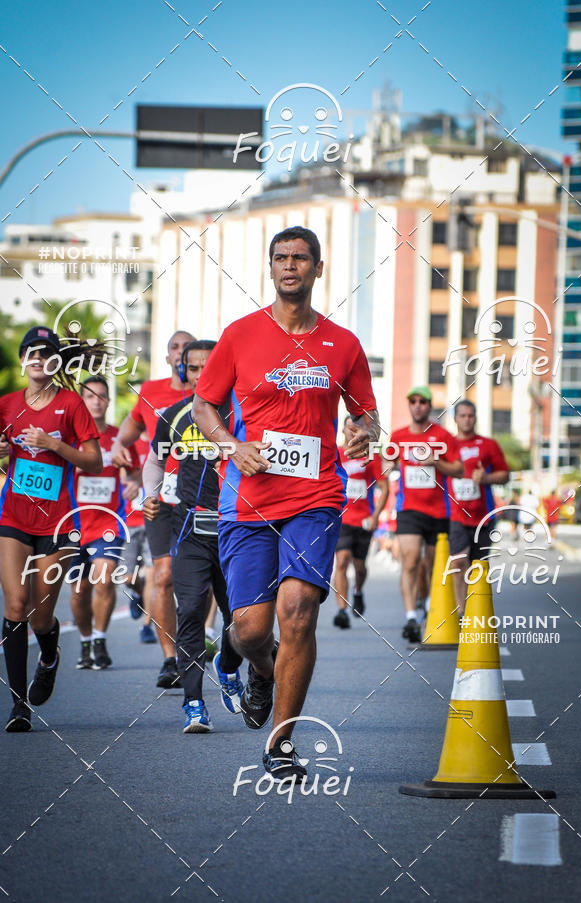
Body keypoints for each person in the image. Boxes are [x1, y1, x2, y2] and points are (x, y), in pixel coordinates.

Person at [194, 226, 379, 779]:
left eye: (300, 258)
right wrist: (232, 445)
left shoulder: (342, 344)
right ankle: (250, 663)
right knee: (252, 629)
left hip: (316, 497)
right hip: (248, 500)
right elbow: (205, 405)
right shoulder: (240, 335)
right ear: (270, 269)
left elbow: (366, 412)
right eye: (280, 258)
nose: (290, 265)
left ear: (318, 269)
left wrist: (363, 432)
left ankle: (280, 742)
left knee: (298, 612)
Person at [0, 326, 102, 731]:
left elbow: (93, 461)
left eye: (47, 353)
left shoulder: (71, 404)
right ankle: (19, 705)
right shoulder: (6, 404)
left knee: (40, 618)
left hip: (58, 522)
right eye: (32, 351)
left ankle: (50, 654)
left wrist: (52, 443)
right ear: (23, 358)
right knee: (14, 606)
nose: (38, 358)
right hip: (13, 517)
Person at [143, 341, 244, 732]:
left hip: (237, 530)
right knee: (189, 610)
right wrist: (150, 496)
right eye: (195, 368)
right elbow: (153, 462)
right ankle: (194, 704)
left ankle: (230, 666)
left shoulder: (243, 413)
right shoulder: (174, 415)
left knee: (242, 621)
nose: (203, 374)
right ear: (185, 372)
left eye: (209, 366)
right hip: (190, 528)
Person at [112, 330, 195, 688]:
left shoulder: (211, 394)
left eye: (187, 350)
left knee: (204, 583)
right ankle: (170, 660)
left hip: (204, 497)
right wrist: (118, 445)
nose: (181, 354)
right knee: (162, 575)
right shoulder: (150, 392)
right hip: (161, 496)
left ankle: (219, 641)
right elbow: (128, 431)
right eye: (175, 347)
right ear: (168, 358)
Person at [69, 377, 141, 669]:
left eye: (101, 396)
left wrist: (133, 485)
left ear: (108, 401)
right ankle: (85, 642)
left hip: (108, 523)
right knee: (78, 590)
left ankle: (99, 639)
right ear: (81, 402)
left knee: (104, 579)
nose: (96, 401)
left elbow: (135, 472)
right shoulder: (69, 438)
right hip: (72, 524)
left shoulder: (117, 438)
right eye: (90, 396)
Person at [389, 386, 463, 643]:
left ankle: (432, 607)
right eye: (414, 401)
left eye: (423, 401)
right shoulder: (397, 437)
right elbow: (386, 466)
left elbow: (458, 469)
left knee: (433, 566)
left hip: (439, 511)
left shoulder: (443, 436)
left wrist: (436, 463)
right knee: (409, 562)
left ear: (429, 406)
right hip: (409, 509)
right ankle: (411, 617)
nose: (418, 405)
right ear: (409, 405)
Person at [448, 400, 509, 614]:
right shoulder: (447, 445)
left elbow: (505, 475)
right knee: (458, 563)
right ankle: (462, 613)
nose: (467, 419)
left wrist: (486, 478)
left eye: (471, 415)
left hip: (483, 516)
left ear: (476, 418)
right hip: (456, 516)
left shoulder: (488, 445)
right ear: (455, 419)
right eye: (462, 415)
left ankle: (477, 613)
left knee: (478, 567)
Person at [333, 415, 389, 628]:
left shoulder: (369, 456)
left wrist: (376, 517)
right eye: (348, 429)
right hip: (342, 518)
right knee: (342, 560)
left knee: (359, 566)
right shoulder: (336, 454)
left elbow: (384, 487)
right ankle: (341, 610)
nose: (351, 432)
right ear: (343, 432)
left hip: (364, 519)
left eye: (356, 429)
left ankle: (357, 591)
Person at [122, 434, 157, 644]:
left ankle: (147, 626)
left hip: (154, 520)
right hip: (131, 521)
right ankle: (140, 594)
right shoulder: (128, 443)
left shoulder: (161, 440)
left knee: (153, 573)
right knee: (127, 578)